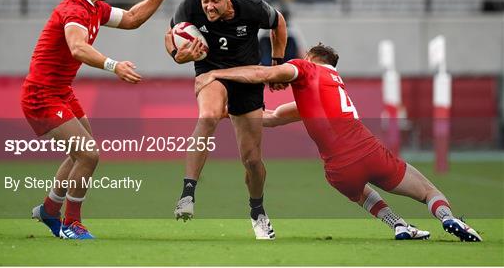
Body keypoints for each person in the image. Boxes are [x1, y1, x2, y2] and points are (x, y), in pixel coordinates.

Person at [194, 44, 483, 242]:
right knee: (428, 191)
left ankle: (398, 224)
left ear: (309, 57)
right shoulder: (335, 85)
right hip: (369, 151)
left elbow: (266, 95)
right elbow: (275, 114)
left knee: (360, 193)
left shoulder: (305, 69)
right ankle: (447, 218)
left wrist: (216, 75)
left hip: (337, 170)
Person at [21, 0, 182, 239]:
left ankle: (49, 209)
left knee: (81, 153)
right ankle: (71, 223)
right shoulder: (74, 9)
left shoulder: (94, 7)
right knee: (88, 154)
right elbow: (77, 47)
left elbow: (132, 18)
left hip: (61, 91)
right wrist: (114, 65)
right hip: (42, 95)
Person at [164, 0, 287, 240]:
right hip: (210, 72)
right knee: (208, 115)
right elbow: (170, 36)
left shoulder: (251, 7)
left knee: (252, 160)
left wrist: (277, 62)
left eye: (215, 1)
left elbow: (279, 22)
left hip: (246, 77)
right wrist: (177, 56)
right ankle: (187, 193)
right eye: (206, 1)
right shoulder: (189, 5)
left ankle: (258, 212)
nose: (209, 6)